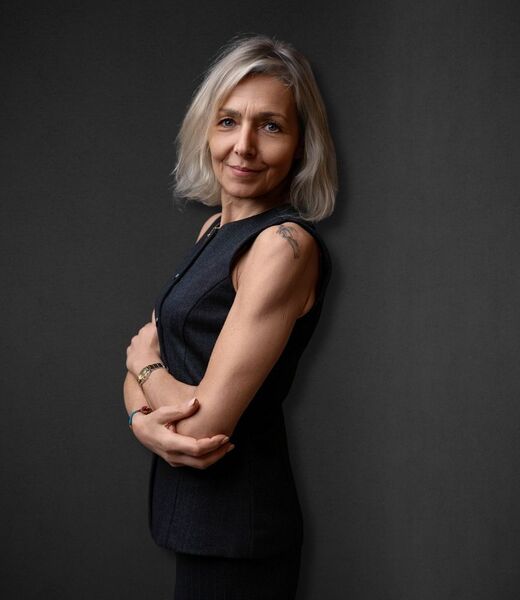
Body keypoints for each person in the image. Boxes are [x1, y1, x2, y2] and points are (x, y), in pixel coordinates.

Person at [123, 34, 337, 600]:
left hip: (242, 532)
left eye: (270, 126)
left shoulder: (283, 246)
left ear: (301, 144)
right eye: (228, 121)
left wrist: (146, 373)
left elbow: (200, 422)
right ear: (207, 131)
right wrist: (142, 420)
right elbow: (146, 352)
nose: (243, 146)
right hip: (198, 522)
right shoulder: (215, 230)